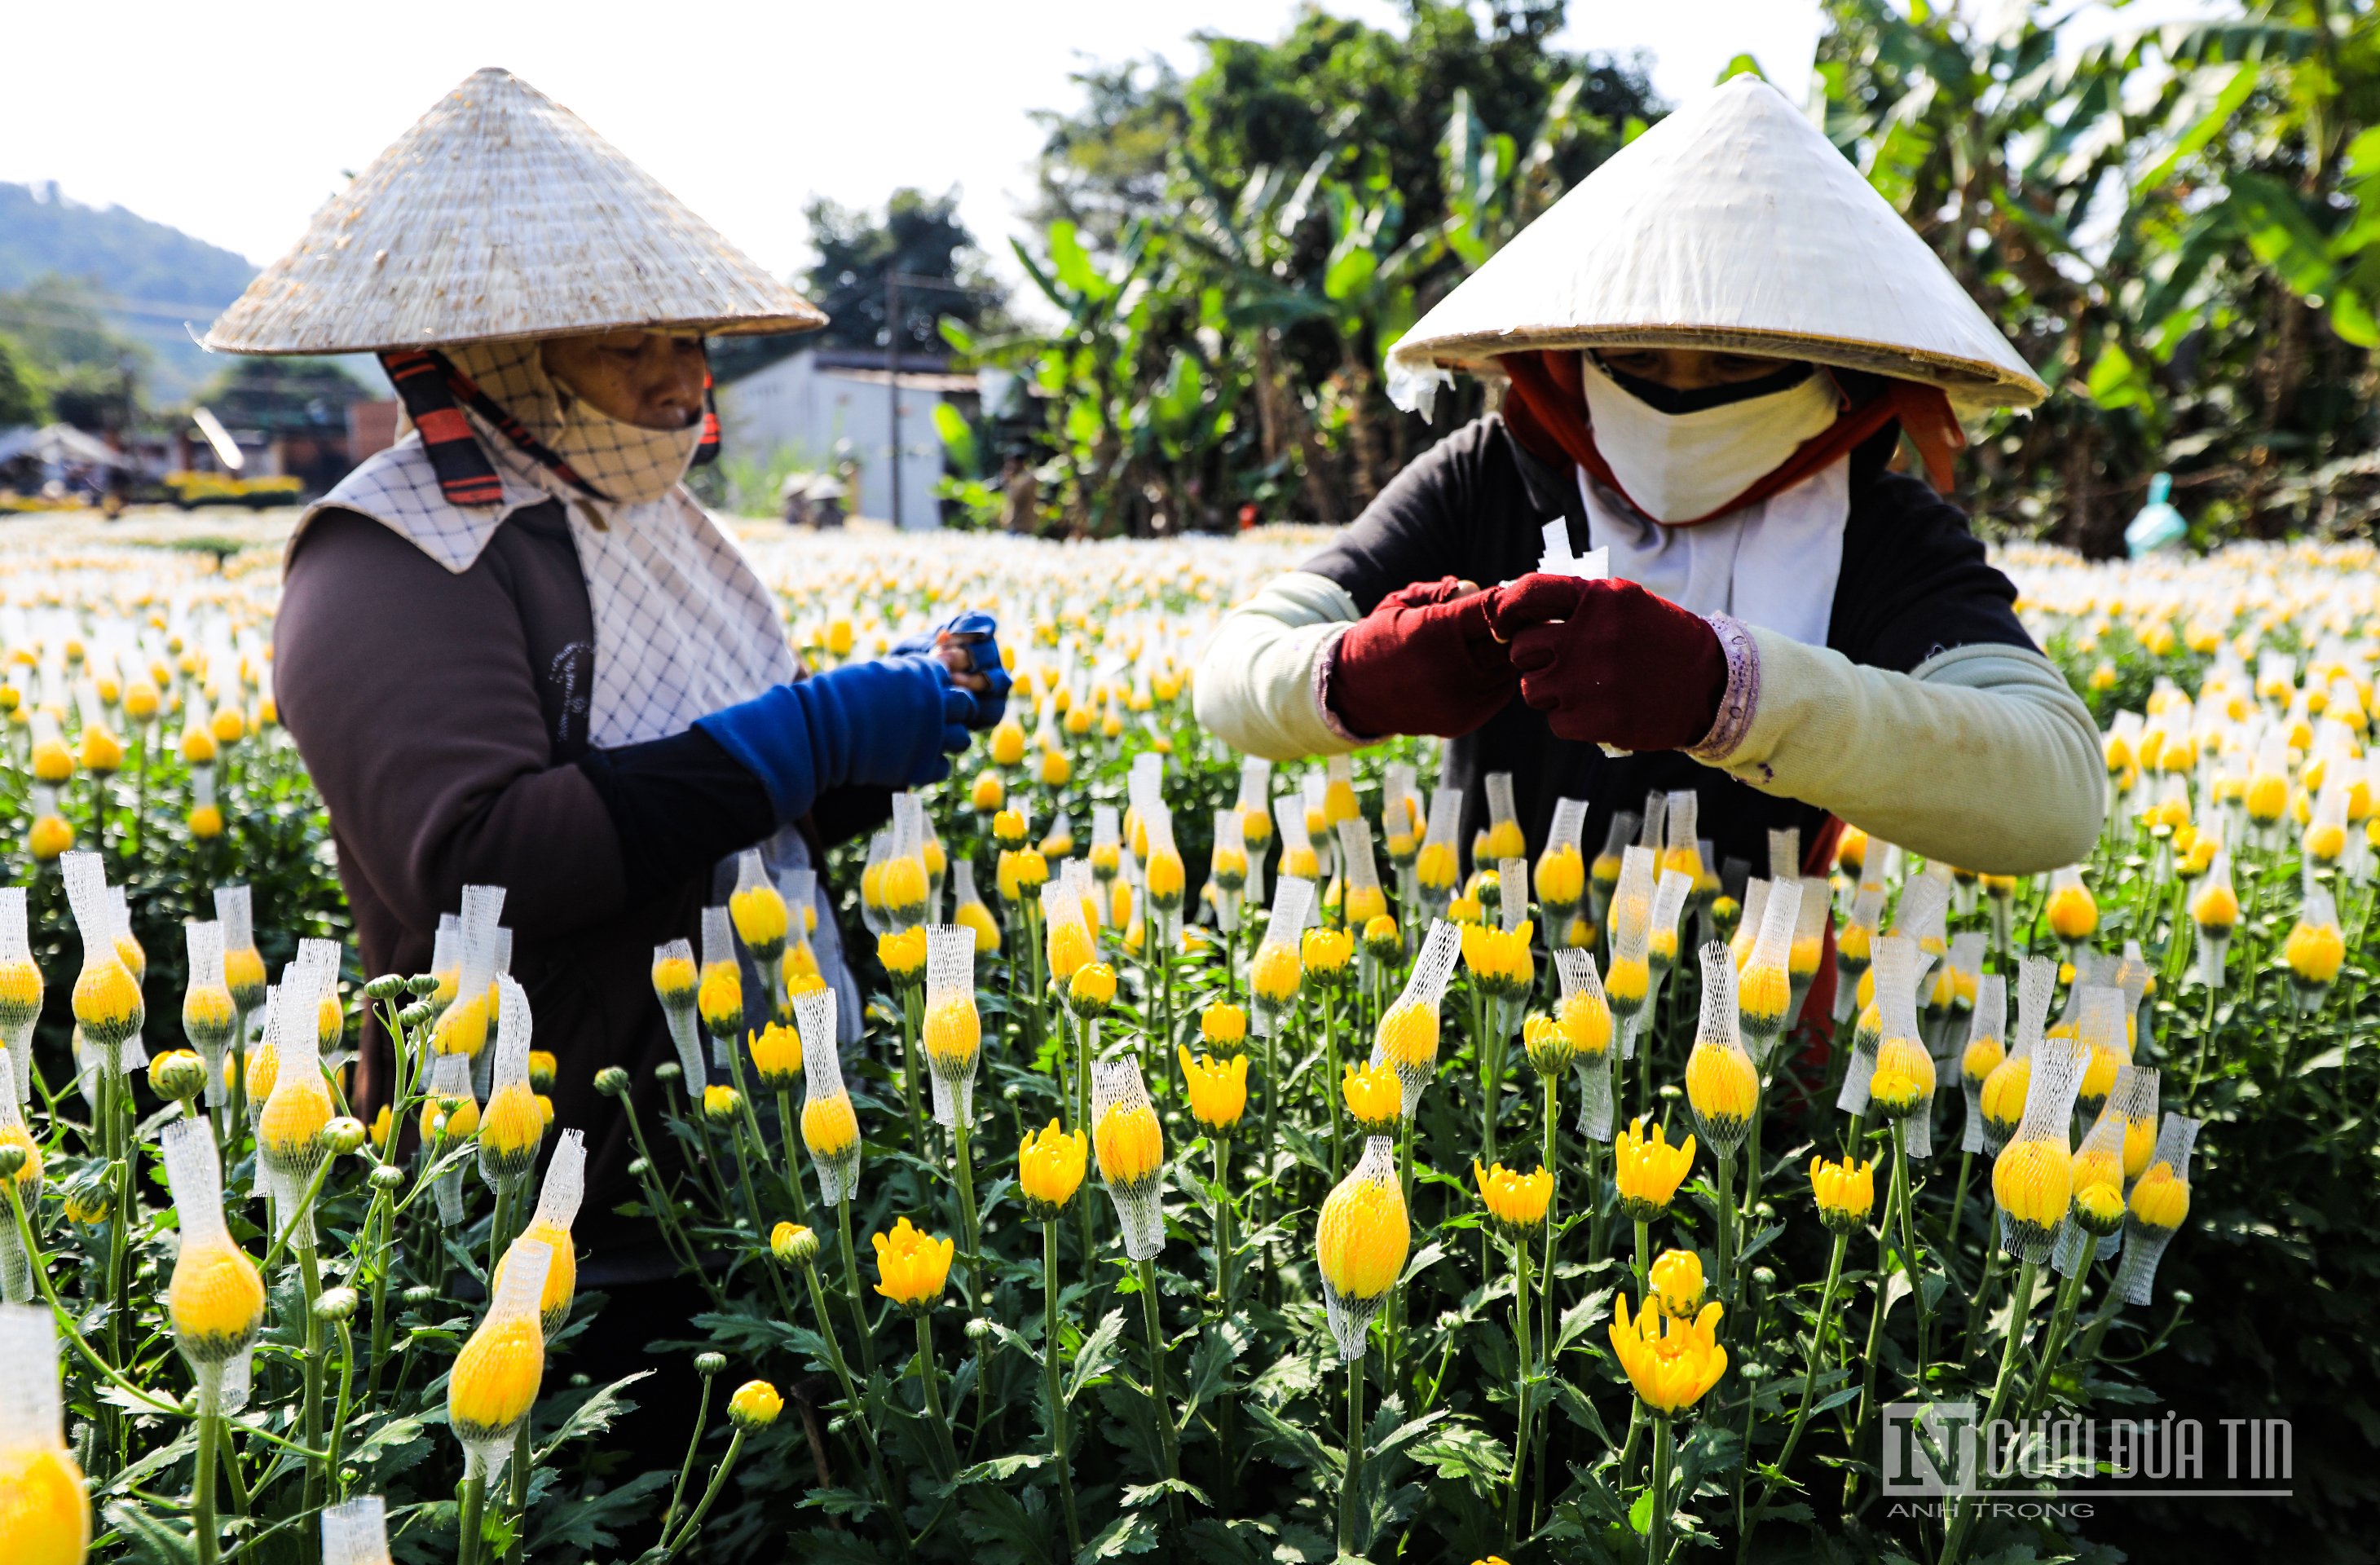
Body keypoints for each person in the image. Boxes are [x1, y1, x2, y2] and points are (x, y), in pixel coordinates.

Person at [205, 70, 1006, 1305]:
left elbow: (730, 813)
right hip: (538, 1196)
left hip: (744, 1141)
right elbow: (484, 856)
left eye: (687, 338)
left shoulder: (652, 524)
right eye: (628, 341)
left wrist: (880, 736)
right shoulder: (393, 558)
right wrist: (809, 732)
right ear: (500, 354)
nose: (679, 376)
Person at [1196, 76, 2100, 880]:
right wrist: (1361, 672)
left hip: (1747, 1026)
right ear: (1570, 362)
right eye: (1636, 357)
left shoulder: (1877, 529)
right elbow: (1232, 673)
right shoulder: (1492, 479)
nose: (1677, 398)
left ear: (1839, 379)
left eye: (1733, 365)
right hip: (1482, 989)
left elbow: (2053, 796)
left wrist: (1732, 692)